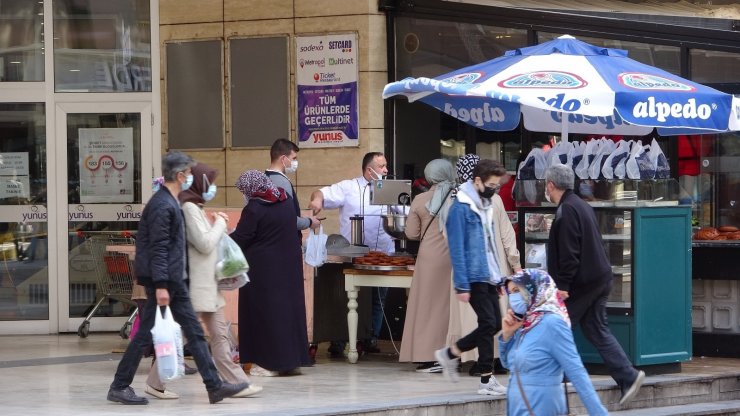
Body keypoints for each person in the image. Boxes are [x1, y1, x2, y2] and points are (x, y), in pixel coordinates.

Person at [107, 151, 247, 405]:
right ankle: (119, 385)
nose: (192, 176)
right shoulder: (163, 205)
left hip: (174, 280)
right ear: (180, 175)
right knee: (148, 336)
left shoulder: (170, 201)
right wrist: (161, 286)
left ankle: (214, 387)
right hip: (165, 282)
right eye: (189, 172)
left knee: (194, 333)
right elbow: (159, 248)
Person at [544, 163, 645, 405]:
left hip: (582, 283)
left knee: (559, 328)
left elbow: (569, 253)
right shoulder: (580, 205)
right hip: (598, 278)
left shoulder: (566, 210)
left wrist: (563, 286)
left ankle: (556, 380)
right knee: (597, 330)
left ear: (550, 185)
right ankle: (628, 376)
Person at [435, 159, 521, 396]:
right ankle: (483, 376)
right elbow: (456, 248)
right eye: (492, 184)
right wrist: (462, 284)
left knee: (493, 323)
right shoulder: (460, 207)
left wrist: (500, 278)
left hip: (488, 274)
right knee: (489, 323)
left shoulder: (484, 204)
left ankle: (452, 354)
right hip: (473, 275)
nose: (495, 188)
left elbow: (491, 244)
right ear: (477, 181)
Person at [178, 163, 263, 397]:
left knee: (219, 336)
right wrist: (220, 224)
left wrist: (218, 226)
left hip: (208, 283)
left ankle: (238, 383)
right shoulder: (188, 208)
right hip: (197, 285)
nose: (213, 187)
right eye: (211, 183)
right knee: (185, 336)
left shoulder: (195, 207)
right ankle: (155, 382)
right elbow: (204, 243)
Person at [308, 152, 395, 355]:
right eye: (382, 167)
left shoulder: (390, 188)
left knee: (378, 299)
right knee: (346, 299)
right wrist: (317, 201)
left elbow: (404, 211)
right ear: (369, 169)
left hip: (382, 253)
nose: (386, 170)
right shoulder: (348, 187)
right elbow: (320, 193)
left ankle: (370, 338)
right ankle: (339, 340)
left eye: (385, 166)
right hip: (352, 254)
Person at [232, 170, 311, 376]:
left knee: (265, 315)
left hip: (262, 271)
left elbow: (242, 237)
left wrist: (221, 238)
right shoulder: (284, 200)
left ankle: (270, 364)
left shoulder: (254, 208)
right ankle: (292, 361)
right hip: (288, 268)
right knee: (288, 314)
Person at [499, 269, 608, 415]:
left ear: (534, 288)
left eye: (517, 290)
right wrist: (507, 335)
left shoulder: (553, 324)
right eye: (511, 292)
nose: (513, 297)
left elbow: (577, 373)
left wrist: (599, 413)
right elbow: (509, 364)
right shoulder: (526, 324)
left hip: (540, 406)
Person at [400, 159, 456, 372]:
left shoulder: (420, 200)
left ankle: (426, 355)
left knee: (425, 307)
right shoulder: (458, 197)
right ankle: (451, 353)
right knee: (448, 307)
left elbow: (411, 234)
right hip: (452, 257)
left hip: (428, 258)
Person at [265, 138, 320, 231]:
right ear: (283, 158)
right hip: (283, 241)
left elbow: (276, 213)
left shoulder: (266, 177)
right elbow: (287, 219)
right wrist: (310, 222)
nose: (295, 162)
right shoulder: (281, 182)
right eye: (293, 158)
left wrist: (299, 214)